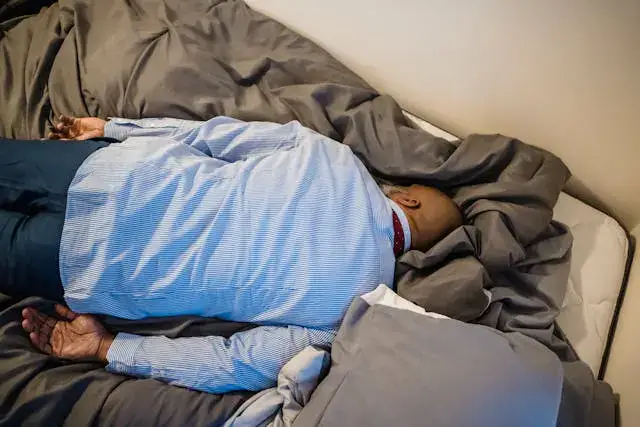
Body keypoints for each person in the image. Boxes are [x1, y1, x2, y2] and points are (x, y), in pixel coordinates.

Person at [2, 115, 462, 393]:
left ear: (409, 199)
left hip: (111, 172)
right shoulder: (354, 306)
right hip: (88, 265)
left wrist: (113, 128)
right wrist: (107, 348)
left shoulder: (335, 156)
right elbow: (234, 362)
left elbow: (212, 136)